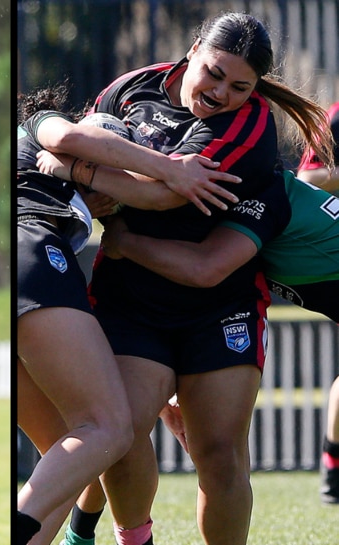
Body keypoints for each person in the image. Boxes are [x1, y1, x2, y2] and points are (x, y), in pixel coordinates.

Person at [37, 12, 333, 545]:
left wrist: (88, 179)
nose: (221, 93)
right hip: (132, 299)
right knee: (117, 435)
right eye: (214, 73)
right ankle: (125, 538)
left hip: (221, 303)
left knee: (219, 453)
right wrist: (84, 170)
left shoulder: (251, 127)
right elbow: (79, 140)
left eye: (240, 86)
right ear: (193, 49)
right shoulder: (132, 87)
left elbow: (164, 190)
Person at [16, 84, 242, 545]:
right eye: (103, 173)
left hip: (11, 273)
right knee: (109, 430)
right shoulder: (47, 125)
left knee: (75, 453)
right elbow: (78, 145)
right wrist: (169, 169)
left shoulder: (61, 196)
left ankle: (76, 536)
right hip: (31, 255)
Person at [297, 101, 339, 503]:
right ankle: (334, 460)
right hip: (325, 252)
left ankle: (333, 460)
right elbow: (306, 176)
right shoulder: (337, 116)